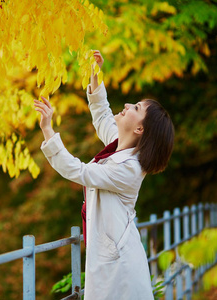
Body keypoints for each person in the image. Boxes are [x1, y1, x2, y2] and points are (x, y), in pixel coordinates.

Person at [33, 50, 174, 299]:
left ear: (140, 128)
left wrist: (48, 130)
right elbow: (101, 115)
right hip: (112, 260)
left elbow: (79, 171)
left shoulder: (129, 169)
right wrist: (96, 74)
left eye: (136, 107)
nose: (128, 105)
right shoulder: (121, 145)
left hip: (120, 268)